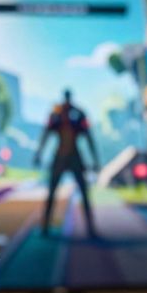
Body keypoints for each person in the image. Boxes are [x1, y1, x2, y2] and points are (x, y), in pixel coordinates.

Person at [35, 88, 100, 238]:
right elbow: (46, 134)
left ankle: (90, 227)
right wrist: (38, 153)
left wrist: (95, 159)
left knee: (83, 192)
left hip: (72, 156)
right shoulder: (59, 113)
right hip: (62, 156)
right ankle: (45, 226)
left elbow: (88, 137)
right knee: (53, 191)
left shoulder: (76, 114)